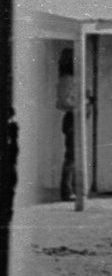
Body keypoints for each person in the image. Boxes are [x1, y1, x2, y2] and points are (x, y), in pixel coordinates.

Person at [59, 47, 78, 204]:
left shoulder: (68, 78)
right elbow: (63, 102)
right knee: (71, 157)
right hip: (72, 117)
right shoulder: (68, 79)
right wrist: (80, 104)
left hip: (73, 117)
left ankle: (70, 189)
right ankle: (67, 190)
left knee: (73, 156)